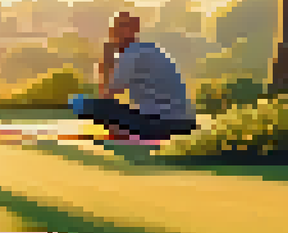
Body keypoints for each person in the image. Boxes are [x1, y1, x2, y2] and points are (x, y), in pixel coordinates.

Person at [70, 12, 199, 141]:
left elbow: (106, 97)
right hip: (184, 122)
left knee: (78, 103)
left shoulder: (131, 54)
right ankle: (123, 129)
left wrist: (105, 63)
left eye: (116, 29)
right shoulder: (148, 49)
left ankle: (122, 131)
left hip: (162, 125)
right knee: (117, 110)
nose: (113, 34)